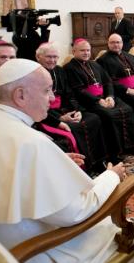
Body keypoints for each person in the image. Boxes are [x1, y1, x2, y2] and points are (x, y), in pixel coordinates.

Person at [0, 58, 134, 263]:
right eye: (46, 90)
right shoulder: (30, 142)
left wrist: (53, 162)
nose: (52, 98)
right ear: (21, 95)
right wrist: (111, 177)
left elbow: (11, 173)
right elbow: (75, 213)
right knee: (119, 228)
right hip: (32, 249)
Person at [36, 43, 108, 172]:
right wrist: (60, 118)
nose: (52, 60)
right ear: (38, 57)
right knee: (75, 128)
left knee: (94, 118)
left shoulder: (59, 71)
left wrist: (77, 110)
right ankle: (83, 166)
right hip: (47, 114)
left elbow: (69, 94)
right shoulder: (33, 74)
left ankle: (98, 161)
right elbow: (35, 104)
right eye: (48, 57)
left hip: (64, 109)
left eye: (55, 57)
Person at [64, 39, 134, 157]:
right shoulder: (69, 68)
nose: (86, 53)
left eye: (88, 50)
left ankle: (130, 146)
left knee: (127, 109)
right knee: (109, 116)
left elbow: (108, 82)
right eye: (82, 50)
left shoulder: (95, 64)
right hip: (88, 102)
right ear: (74, 51)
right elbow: (79, 91)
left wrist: (110, 96)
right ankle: (114, 152)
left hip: (104, 98)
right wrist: (98, 100)